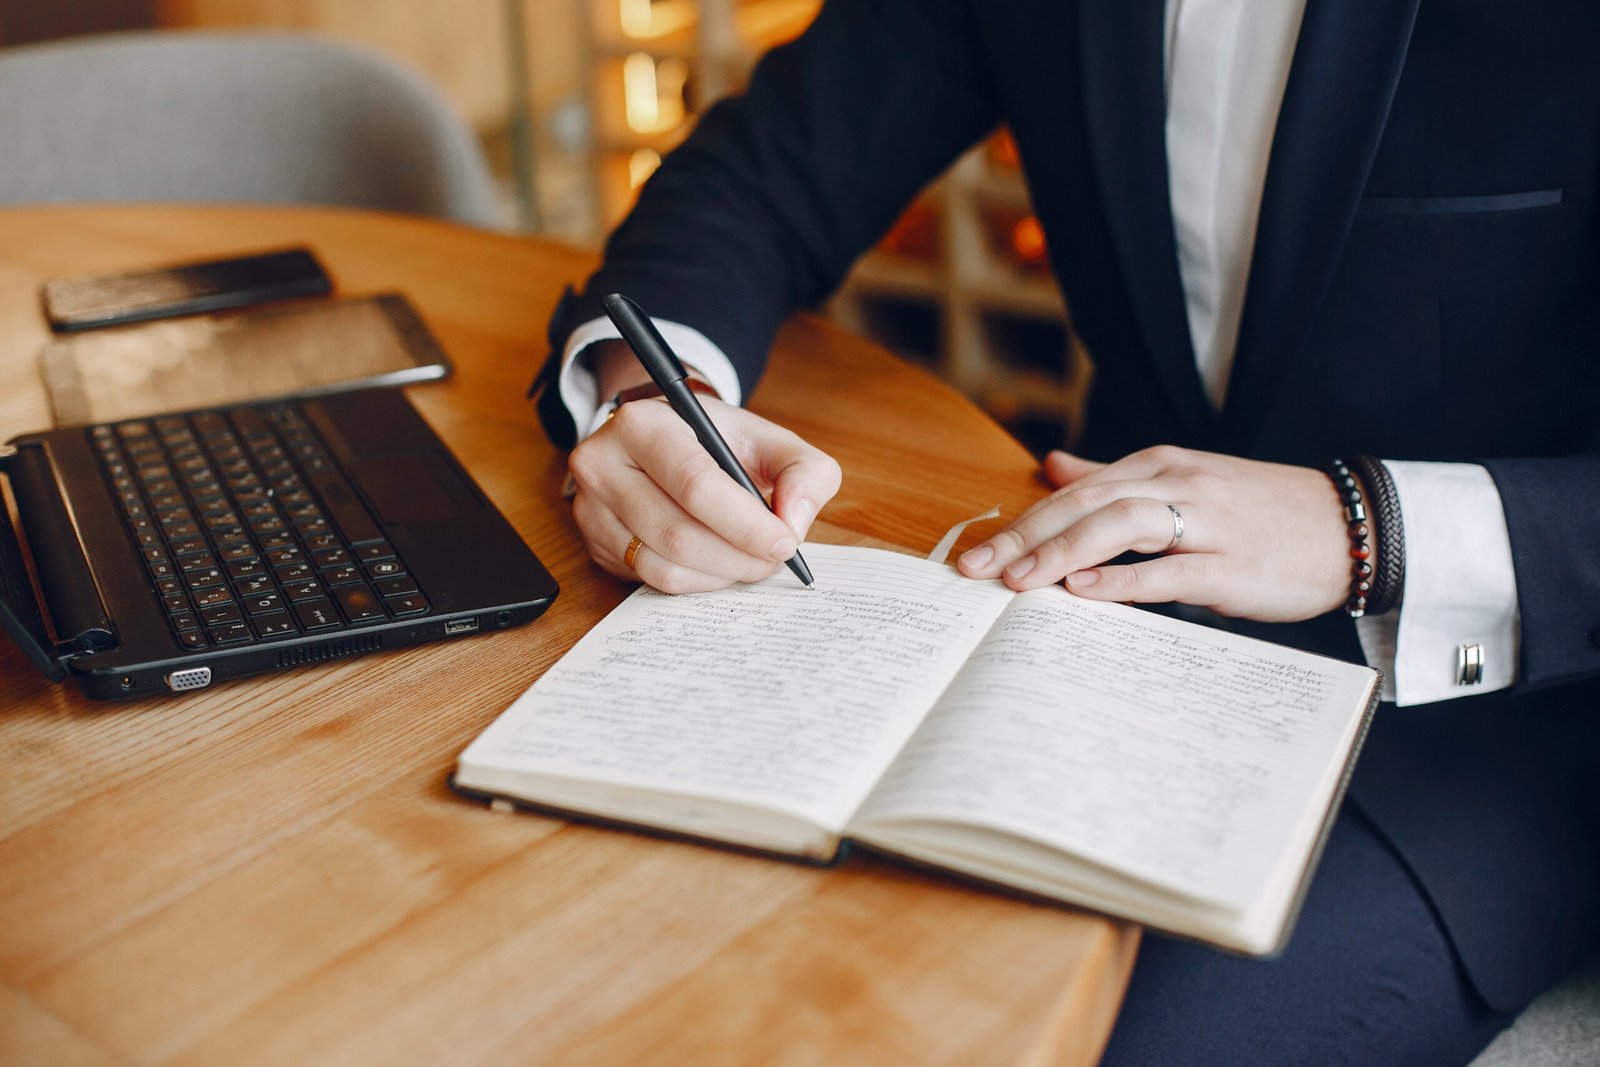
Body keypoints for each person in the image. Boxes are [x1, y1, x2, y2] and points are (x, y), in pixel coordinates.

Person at [530, 1, 1600, 1062]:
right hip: (1074, 624)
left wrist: (1364, 528)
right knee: (681, 948)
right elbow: (765, 169)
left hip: (1479, 722)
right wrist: (656, 399)